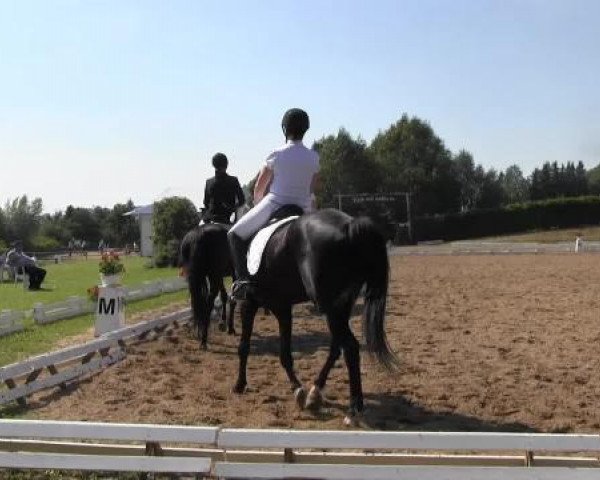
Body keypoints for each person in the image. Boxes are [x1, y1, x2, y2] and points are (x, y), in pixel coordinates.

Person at [228, 108, 320, 300]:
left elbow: (259, 188)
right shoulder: (313, 157)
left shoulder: (276, 154)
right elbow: (312, 190)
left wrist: (258, 205)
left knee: (234, 234)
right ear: (306, 130)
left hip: (275, 202)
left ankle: (243, 282)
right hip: (303, 206)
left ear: (284, 129)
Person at [202, 152, 246, 224]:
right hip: (227, 219)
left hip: (212, 219)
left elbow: (205, 203)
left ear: (213, 165)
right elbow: (242, 201)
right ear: (227, 164)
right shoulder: (233, 180)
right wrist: (233, 208)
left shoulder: (208, 182)